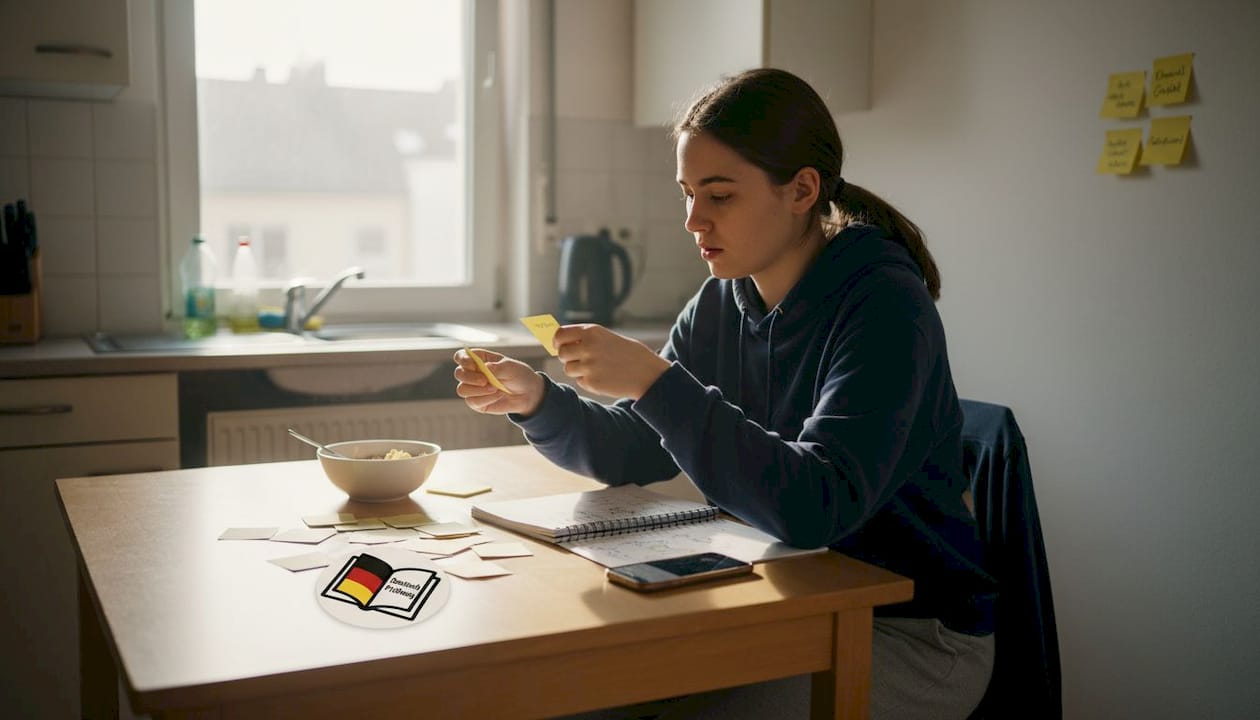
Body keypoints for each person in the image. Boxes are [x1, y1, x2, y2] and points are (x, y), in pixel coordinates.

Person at [453, 67, 995, 720]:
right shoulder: (723, 299)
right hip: (788, 595)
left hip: (910, 631)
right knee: (579, 693)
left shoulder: (884, 306)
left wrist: (655, 381)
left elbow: (817, 506)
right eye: (687, 193)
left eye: (720, 195)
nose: (692, 219)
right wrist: (538, 401)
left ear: (801, 190)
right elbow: (634, 452)